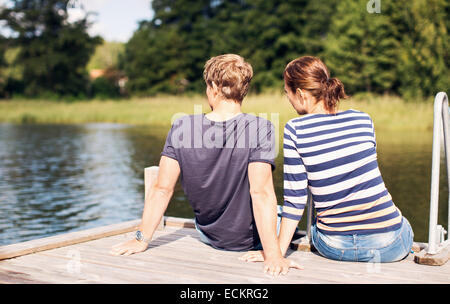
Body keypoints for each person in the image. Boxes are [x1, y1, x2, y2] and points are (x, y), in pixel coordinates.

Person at [111, 54, 302, 276]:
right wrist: (274, 255)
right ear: (244, 90)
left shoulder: (182, 126)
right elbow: (261, 192)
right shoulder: (261, 127)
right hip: (249, 239)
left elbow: (162, 189)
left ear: (212, 87)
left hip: (209, 235)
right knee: (285, 215)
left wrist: (141, 239)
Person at [241, 55, 414, 264]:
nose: (287, 98)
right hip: (390, 246)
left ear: (300, 94)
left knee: (313, 223)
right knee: (400, 220)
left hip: (334, 247)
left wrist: (275, 254)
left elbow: (295, 201)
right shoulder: (363, 119)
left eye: (287, 92)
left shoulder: (295, 130)